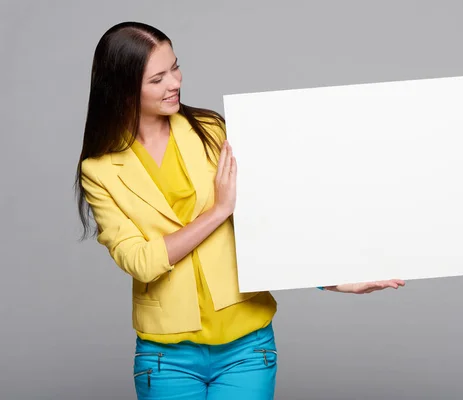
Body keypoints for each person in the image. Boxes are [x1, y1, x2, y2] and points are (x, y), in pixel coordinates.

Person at [75, 21, 405, 400]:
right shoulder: (99, 171)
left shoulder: (211, 130)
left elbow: (267, 221)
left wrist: (334, 279)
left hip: (247, 347)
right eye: (157, 78)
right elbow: (141, 261)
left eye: (175, 67)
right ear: (123, 88)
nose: (175, 83)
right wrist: (217, 212)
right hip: (166, 358)